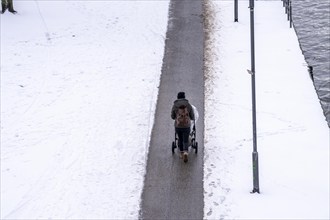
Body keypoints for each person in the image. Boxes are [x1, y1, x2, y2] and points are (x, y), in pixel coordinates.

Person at [171, 92, 195, 163]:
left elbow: (172, 116)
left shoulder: (175, 105)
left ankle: (181, 153)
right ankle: (186, 152)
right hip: (186, 126)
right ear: (184, 97)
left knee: (180, 138)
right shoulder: (188, 105)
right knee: (185, 139)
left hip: (178, 126)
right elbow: (192, 115)